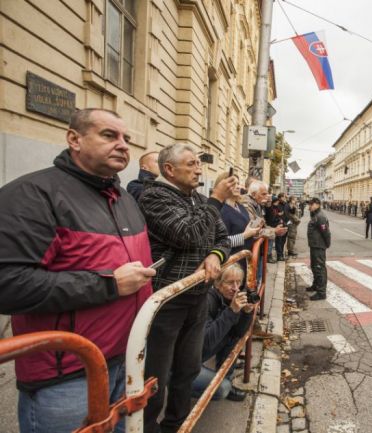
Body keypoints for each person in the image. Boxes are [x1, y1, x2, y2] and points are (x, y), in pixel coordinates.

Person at [0, 108, 156, 433]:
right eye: (109, 135)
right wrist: (109, 284)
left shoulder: (125, 199)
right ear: (75, 139)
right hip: (67, 375)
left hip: (126, 361)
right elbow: (8, 284)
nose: (124, 145)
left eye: (126, 138)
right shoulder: (32, 194)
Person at [139, 143, 231, 433]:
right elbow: (187, 234)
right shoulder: (154, 196)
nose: (199, 169)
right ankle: (147, 427)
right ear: (169, 169)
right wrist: (216, 200)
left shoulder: (197, 199)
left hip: (197, 296)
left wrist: (215, 256)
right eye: (191, 164)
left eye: (198, 164)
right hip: (167, 299)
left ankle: (176, 424)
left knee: (187, 369)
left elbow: (223, 238)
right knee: (154, 374)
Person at [192, 264, 254, 402]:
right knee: (223, 389)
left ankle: (224, 376)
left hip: (199, 352)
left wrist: (246, 313)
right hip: (185, 361)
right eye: (230, 282)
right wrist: (231, 311)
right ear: (218, 283)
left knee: (231, 336)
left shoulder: (227, 296)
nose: (236, 288)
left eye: (238, 282)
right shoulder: (206, 300)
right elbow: (206, 343)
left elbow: (238, 333)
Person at [215, 171, 262, 283]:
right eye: (233, 184)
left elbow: (246, 228)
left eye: (238, 183)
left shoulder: (240, 206)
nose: (239, 187)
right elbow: (220, 242)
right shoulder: (220, 210)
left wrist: (255, 230)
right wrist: (245, 235)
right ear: (222, 185)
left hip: (244, 261)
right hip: (230, 265)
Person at [306, 197, 331, 301]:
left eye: (310, 205)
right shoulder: (315, 214)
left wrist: (327, 244)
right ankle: (316, 285)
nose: (309, 207)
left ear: (316, 204)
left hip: (319, 246)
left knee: (319, 268)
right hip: (314, 245)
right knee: (314, 266)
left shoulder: (320, 216)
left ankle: (321, 292)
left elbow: (325, 232)